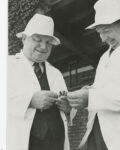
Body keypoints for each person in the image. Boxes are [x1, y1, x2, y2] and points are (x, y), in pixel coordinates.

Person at [68, 0, 120, 150]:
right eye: (99, 32)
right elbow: (104, 92)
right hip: (97, 136)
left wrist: (92, 97)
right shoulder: (104, 57)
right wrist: (88, 92)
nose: (103, 39)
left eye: (106, 30)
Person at [7, 14, 75, 150]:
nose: (43, 47)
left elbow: (69, 112)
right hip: (23, 142)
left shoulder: (56, 73)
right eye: (37, 39)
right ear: (24, 39)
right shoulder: (7, 65)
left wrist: (69, 108)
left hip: (57, 143)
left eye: (48, 42)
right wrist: (30, 100)